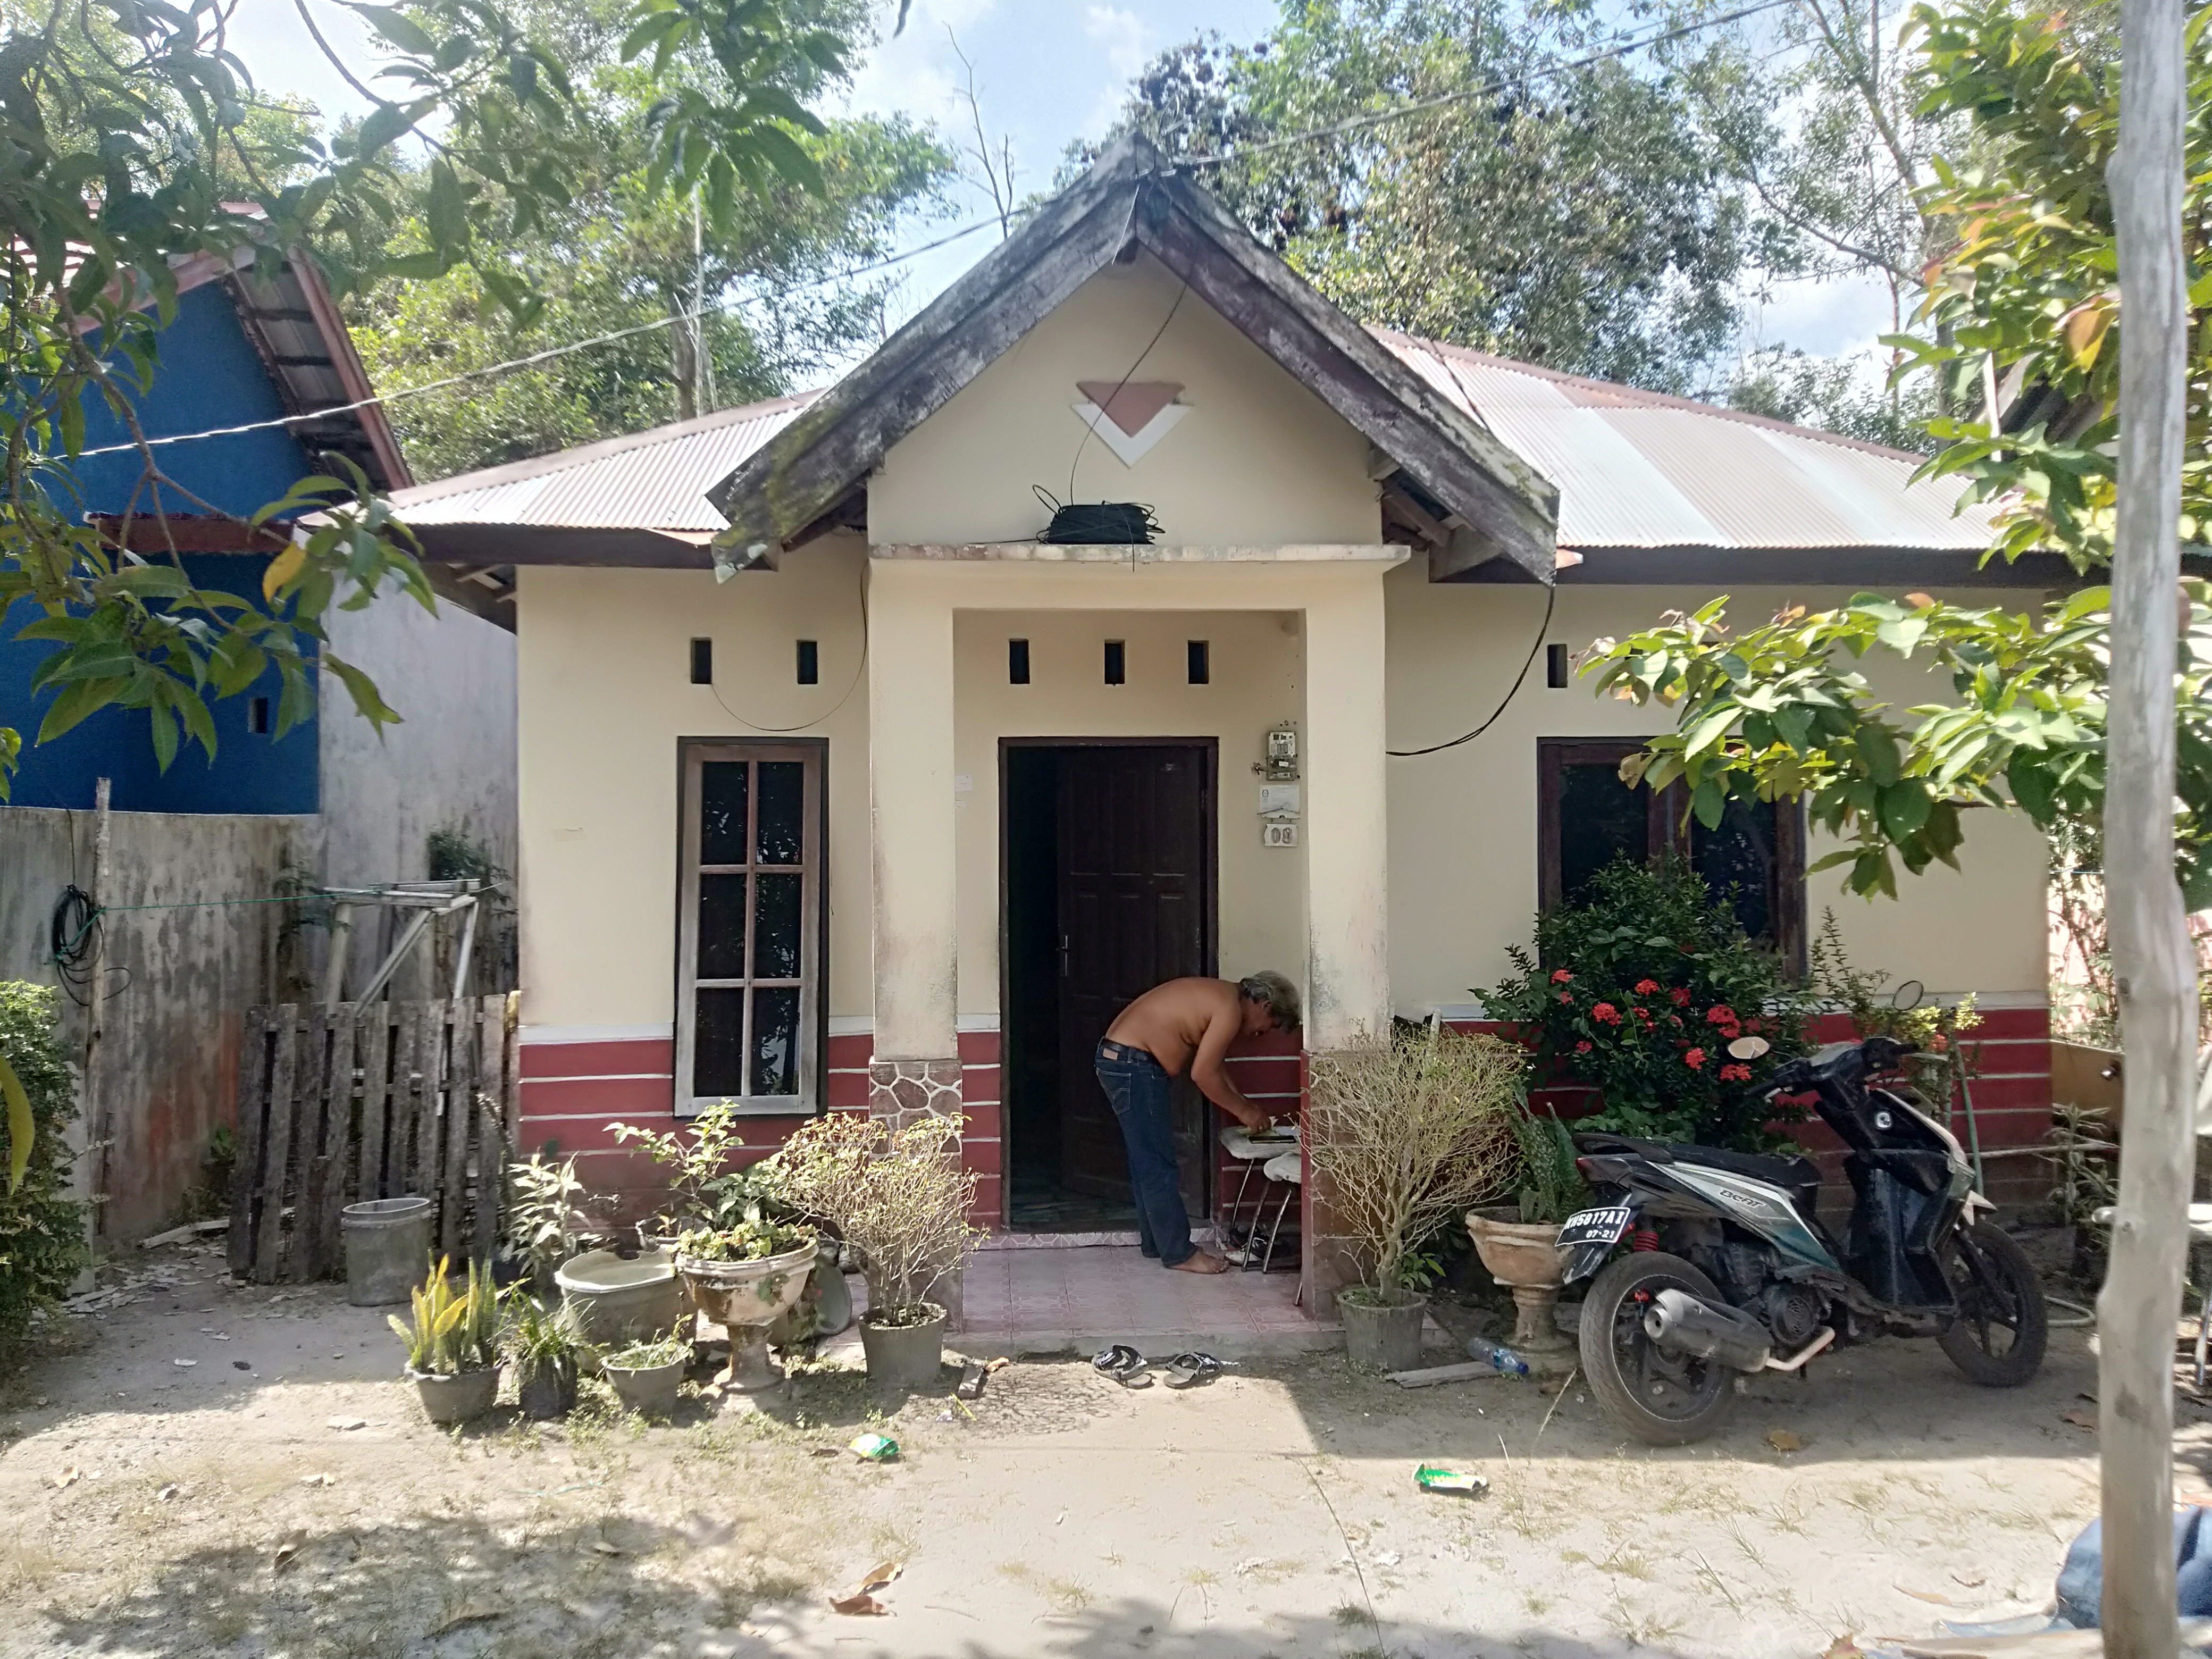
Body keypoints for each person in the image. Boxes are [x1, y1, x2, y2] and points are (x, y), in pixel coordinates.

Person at [1094, 972, 1302, 1275]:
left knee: (1147, 1161)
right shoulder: (1230, 1009)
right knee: (1157, 1163)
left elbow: (1215, 1066)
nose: (1261, 1033)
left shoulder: (1224, 997)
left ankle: (1157, 1244)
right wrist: (1245, 1111)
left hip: (1122, 1060)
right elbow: (1203, 1074)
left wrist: (1244, 1104)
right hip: (1133, 1064)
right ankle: (1179, 1253)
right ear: (1265, 1006)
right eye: (1269, 1026)